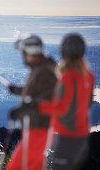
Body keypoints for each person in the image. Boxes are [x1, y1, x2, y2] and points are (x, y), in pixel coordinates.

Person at [38, 33, 94, 170]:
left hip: (67, 136)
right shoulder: (88, 75)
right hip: (82, 137)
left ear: (64, 52)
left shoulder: (68, 77)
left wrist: (39, 106)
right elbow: (88, 103)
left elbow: (62, 108)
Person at [6, 35, 57, 170]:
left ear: (30, 52)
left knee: (16, 167)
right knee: (34, 166)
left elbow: (49, 98)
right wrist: (18, 90)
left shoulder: (44, 71)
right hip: (38, 128)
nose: (23, 57)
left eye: (23, 53)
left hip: (39, 129)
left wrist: (23, 109)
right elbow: (37, 92)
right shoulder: (41, 69)